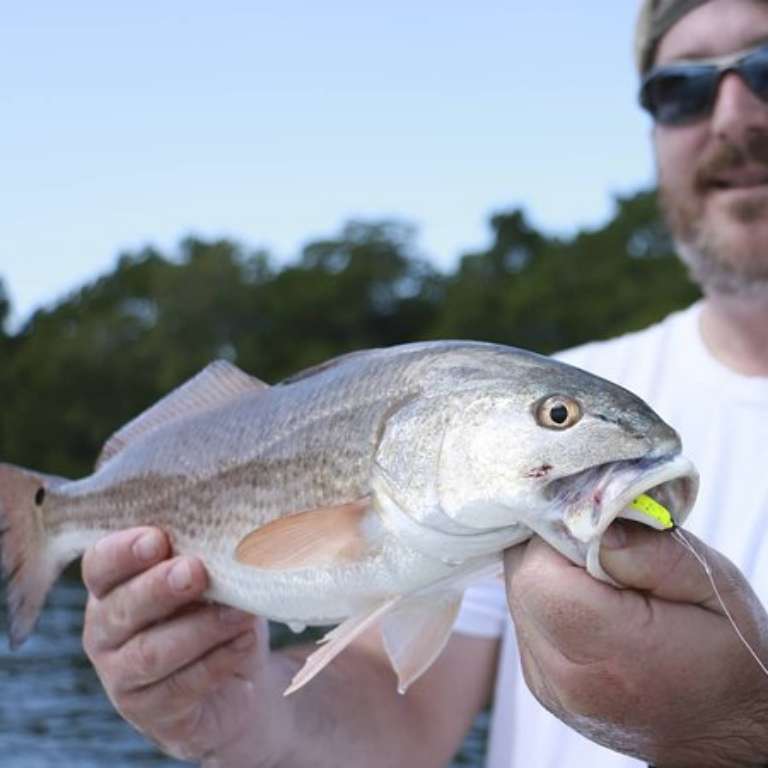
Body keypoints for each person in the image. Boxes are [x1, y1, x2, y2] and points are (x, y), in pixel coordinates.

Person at [80, 1, 768, 765]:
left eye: (767, 67)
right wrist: (245, 721)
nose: (733, 115)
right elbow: (399, 716)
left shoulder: (574, 413)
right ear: (653, 126)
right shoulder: (558, 391)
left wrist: (735, 735)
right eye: (681, 89)